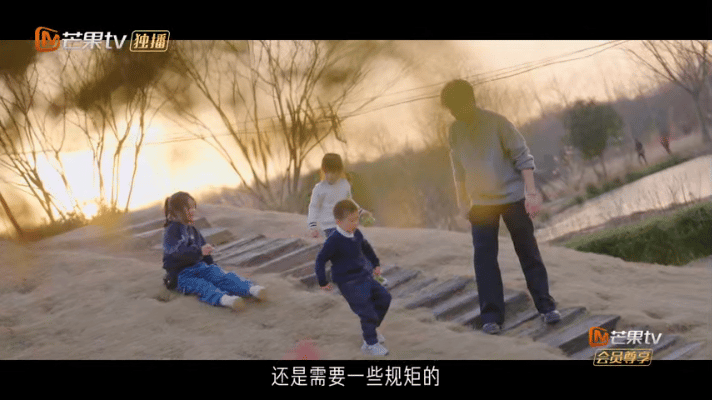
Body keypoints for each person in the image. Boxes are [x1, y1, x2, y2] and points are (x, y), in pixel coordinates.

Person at [440, 79, 560, 335]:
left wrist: (531, 193)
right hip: (481, 204)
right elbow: (458, 168)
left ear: (471, 101)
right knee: (484, 260)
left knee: (528, 252)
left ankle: (546, 306)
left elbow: (523, 157)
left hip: (512, 197)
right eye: (451, 110)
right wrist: (462, 202)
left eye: (458, 107)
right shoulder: (455, 131)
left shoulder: (497, 123)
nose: (455, 113)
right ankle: (491, 317)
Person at [162, 191, 267, 311]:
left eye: (193, 208)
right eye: (189, 208)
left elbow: (203, 248)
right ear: (178, 211)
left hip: (200, 267)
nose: (193, 211)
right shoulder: (170, 232)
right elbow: (176, 252)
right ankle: (225, 299)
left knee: (222, 276)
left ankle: (251, 289)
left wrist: (210, 263)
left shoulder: (192, 229)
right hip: (181, 275)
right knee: (202, 286)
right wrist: (199, 251)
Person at [315, 199, 391, 356]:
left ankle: (371, 330)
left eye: (357, 219)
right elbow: (320, 260)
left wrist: (375, 264)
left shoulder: (356, 233)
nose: (355, 223)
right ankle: (370, 344)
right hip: (348, 282)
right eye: (351, 221)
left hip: (363, 276)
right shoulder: (334, 240)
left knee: (384, 298)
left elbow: (366, 248)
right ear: (338, 222)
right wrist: (323, 281)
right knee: (367, 311)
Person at [307, 154, 386, 285]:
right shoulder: (319, 189)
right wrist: (312, 226)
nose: (333, 176)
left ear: (340, 171)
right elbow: (313, 207)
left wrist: (361, 212)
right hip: (330, 226)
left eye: (336, 173)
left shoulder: (344, 185)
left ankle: (371, 276)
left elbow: (349, 202)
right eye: (330, 172)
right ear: (324, 170)